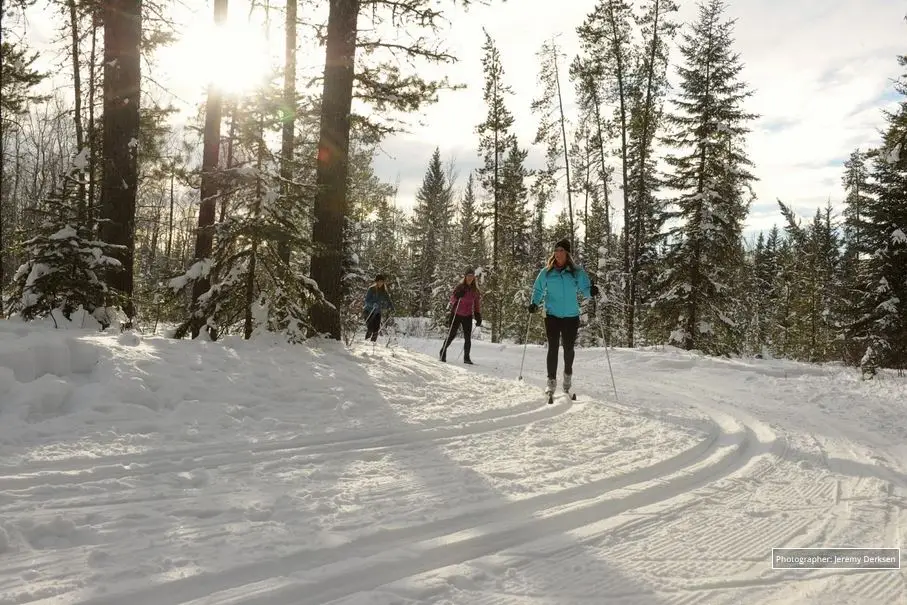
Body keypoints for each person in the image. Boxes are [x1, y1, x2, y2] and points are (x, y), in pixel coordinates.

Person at [528, 239, 599, 393]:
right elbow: (538, 289)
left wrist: (591, 291)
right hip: (552, 315)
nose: (558, 253)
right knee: (552, 348)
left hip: (571, 316)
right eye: (556, 250)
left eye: (562, 250)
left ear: (567, 253)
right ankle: (551, 382)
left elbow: (585, 289)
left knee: (568, 349)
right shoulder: (546, 272)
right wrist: (534, 303)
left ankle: (567, 376)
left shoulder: (576, 272)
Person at [440, 267, 482, 364]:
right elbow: (452, 300)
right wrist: (457, 295)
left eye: (472, 276)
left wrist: (478, 315)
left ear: (474, 277)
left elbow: (476, 304)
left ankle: (466, 358)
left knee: (467, 338)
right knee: (452, 335)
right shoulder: (460, 287)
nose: (470, 278)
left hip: (467, 316)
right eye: (468, 276)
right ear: (465, 276)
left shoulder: (475, 290)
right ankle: (443, 351)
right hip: (456, 314)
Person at [364, 274, 394, 342]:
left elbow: (389, 300)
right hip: (368, 311)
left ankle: (373, 344)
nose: (380, 283)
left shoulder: (384, 291)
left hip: (377, 312)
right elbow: (366, 301)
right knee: (370, 329)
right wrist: (372, 304)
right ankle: (366, 343)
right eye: (379, 281)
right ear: (376, 282)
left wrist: (392, 307)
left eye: (382, 281)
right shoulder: (371, 289)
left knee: (376, 330)